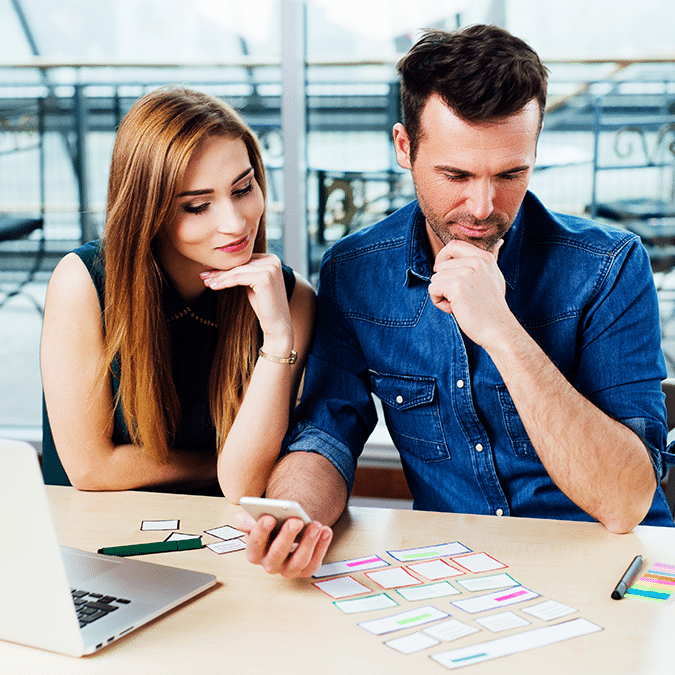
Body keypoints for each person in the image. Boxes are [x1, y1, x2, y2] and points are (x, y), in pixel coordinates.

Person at [235, 24, 675, 577]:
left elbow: (626, 502)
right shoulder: (356, 271)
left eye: (511, 173)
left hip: (616, 569)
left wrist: (501, 329)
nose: (483, 206)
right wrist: (298, 515)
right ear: (404, 148)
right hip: (464, 575)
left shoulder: (608, 267)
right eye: (456, 175)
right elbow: (325, 433)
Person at [40, 86, 315, 500]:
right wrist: (219, 464)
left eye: (242, 189)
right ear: (147, 211)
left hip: (219, 533)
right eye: (197, 206)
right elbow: (91, 468)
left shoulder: (290, 299)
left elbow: (245, 485)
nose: (236, 222)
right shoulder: (82, 283)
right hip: (88, 535)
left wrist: (277, 338)